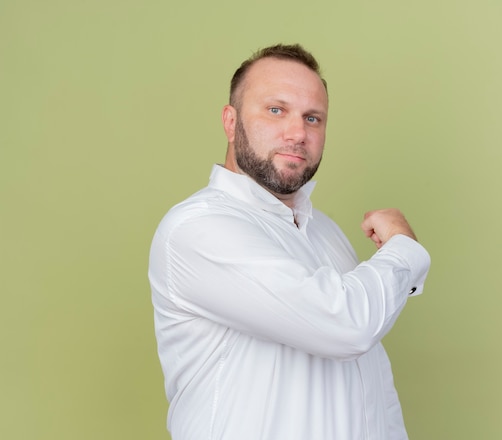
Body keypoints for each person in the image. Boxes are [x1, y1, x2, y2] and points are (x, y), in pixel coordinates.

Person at [149, 43, 431, 440]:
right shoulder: (198, 228)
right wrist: (403, 248)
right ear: (230, 122)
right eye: (276, 110)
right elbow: (347, 324)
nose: (298, 133)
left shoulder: (325, 232)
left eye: (312, 118)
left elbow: (373, 389)